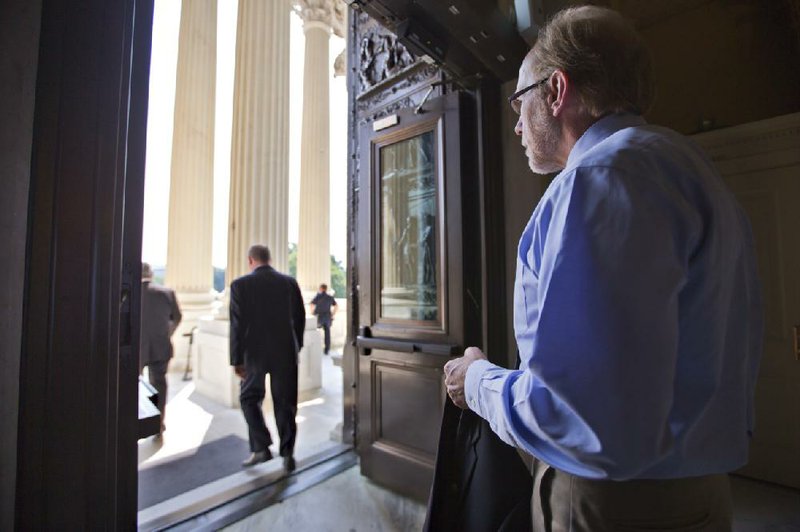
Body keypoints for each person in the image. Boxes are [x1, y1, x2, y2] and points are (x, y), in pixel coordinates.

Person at [443, 6, 763, 531]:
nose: (516, 121)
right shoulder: (691, 168)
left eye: (520, 100)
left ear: (557, 90)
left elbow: (576, 417)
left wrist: (474, 380)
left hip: (614, 507)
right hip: (698, 494)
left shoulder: (601, 178)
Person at [230, 244, 305, 472]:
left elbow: (237, 325)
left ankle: (262, 447)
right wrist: (296, 347)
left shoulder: (240, 285)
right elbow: (299, 318)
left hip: (254, 354)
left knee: (249, 399)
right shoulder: (289, 283)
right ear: (269, 259)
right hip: (285, 352)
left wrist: (236, 359)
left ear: (250, 260)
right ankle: (288, 454)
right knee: (286, 404)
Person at [139, 262, 182, 438]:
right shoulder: (166, 292)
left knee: (133, 386)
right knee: (159, 385)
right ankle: (158, 422)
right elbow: (177, 317)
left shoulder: (127, 292)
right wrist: (166, 334)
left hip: (136, 348)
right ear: (151, 274)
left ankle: (136, 421)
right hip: (161, 346)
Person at [310, 283, 338, 354]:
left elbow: (312, 304)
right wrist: (333, 314)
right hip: (327, 317)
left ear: (321, 288)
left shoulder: (318, 296)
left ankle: (315, 348)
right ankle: (327, 350)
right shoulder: (330, 297)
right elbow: (336, 306)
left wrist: (312, 312)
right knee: (327, 333)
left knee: (314, 331)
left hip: (319, 316)